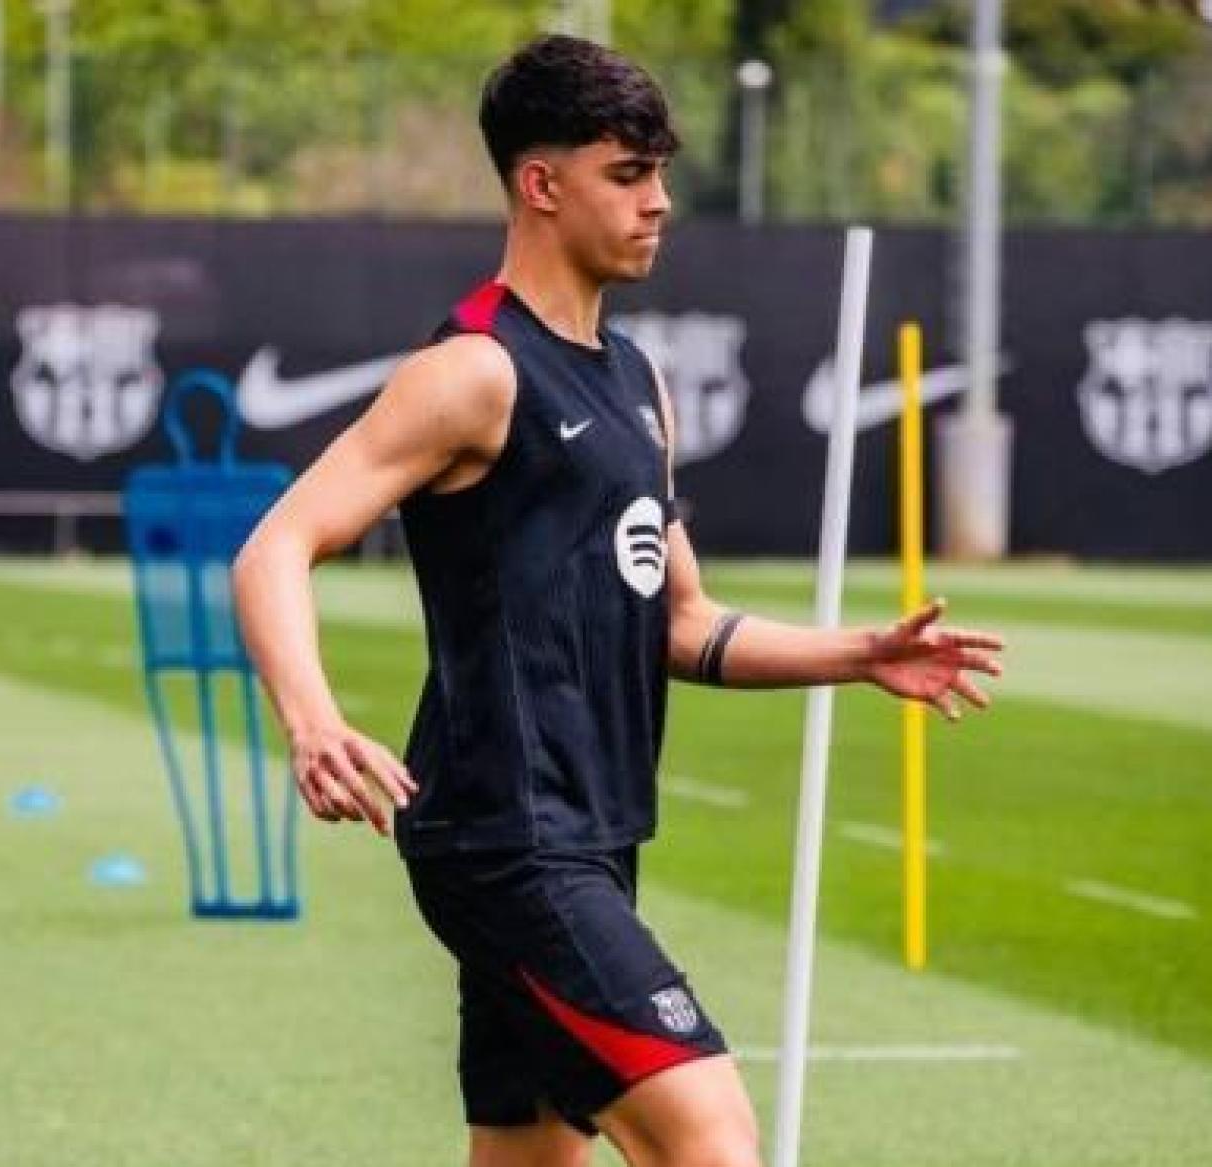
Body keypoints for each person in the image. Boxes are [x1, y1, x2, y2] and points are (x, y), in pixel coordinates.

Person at [233, 33, 1004, 1167]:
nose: (660, 204)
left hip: (589, 830)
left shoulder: (635, 379)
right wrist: (311, 720)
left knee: (529, 1155)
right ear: (540, 185)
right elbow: (276, 545)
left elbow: (680, 620)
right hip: (508, 838)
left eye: (659, 174)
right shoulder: (473, 372)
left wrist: (856, 654)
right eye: (626, 174)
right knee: (711, 1142)